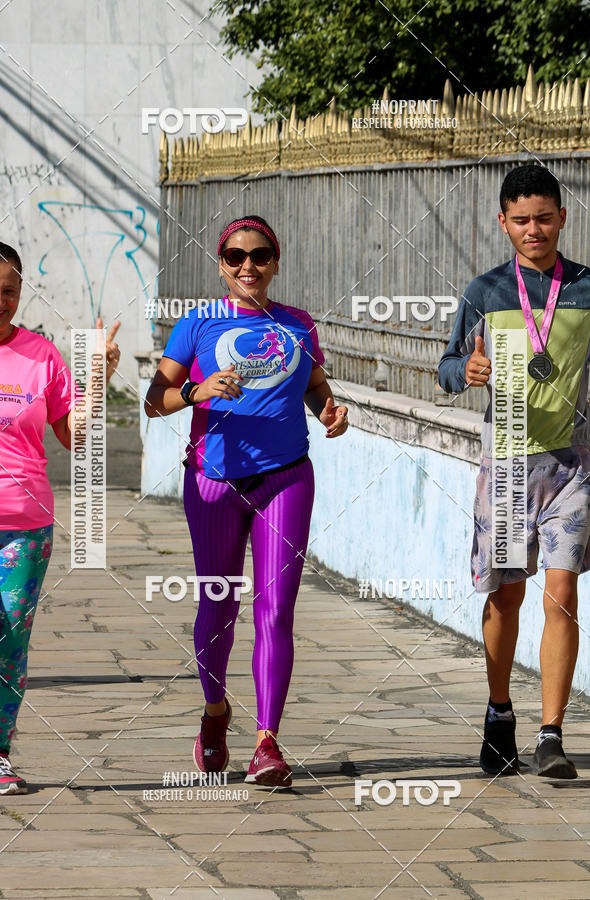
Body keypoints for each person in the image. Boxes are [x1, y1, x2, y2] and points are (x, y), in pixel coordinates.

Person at [145, 215, 348, 788]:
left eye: (260, 256)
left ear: (276, 262)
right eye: (235, 257)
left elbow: (313, 387)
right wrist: (195, 391)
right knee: (218, 607)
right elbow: (153, 401)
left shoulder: (298, 326)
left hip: (285, 479)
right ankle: (215, 713)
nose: (248, 267)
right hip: (214, 482)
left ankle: (267, 743)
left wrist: (330, 411)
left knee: (276, 609)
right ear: (221, 264)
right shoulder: (197, 324)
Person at [438, 164, 590, 779]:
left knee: (563, 591)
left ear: (563, 217)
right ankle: (499, 712)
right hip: (505, 466)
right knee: (507, 598)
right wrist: (467, 374)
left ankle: (552, 734)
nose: (535, 229)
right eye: (522, 220)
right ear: (503, 223)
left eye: (545, 217)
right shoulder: (487, 291)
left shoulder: (589, 288)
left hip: (571, 466)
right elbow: (447, 366)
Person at [0, 242, 121, 794]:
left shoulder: (41, 355)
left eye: (9, 290)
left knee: (10, 642)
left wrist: (97, 379)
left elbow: (75, 438)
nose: (0, 300)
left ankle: (0, 754)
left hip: (25, 525)